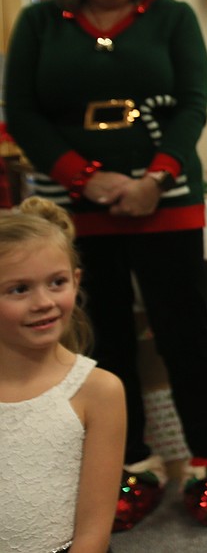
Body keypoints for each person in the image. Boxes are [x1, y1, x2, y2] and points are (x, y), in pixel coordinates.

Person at [2, 0, 207, 531]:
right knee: (100, 337)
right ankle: (131, 464)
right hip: (76, 208)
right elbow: (20, 112)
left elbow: (193, 103)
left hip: (166, 199)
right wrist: (90, 180)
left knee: (183, 332)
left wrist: (153, 178)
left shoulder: (171, 16)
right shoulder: (38, 23)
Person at [0, 196, 126, 553]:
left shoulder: (98, 391)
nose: (43, 302)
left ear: (76, 280)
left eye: (56, 283)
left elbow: (93, 534)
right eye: (19, 289)